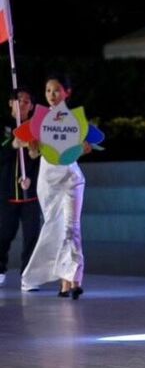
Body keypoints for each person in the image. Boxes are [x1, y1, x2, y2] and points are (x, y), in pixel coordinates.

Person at [20, 75, 88, 299]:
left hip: (71, 178)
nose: (52, 95)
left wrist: (84, 147)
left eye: (57, 90)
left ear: (67, 92)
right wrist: (31, 145)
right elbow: (32, 153)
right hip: (48, 182)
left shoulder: (76, 120)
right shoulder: (40, 121)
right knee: (55, 228)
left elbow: (88, 145)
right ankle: (61, 281)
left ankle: (73, 280)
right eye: (48, 90)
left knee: (71, 228)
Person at [0, 88, 42, 288]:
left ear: (32, 106)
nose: (22, 104)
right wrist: (13, 145)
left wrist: (31, 176)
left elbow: (40, 160)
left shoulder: (37, 128)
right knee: (3, 233)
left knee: (32, 236)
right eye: (19, 100)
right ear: (11, 103)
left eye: (27, 101)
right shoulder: (3, 127)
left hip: (31, 194)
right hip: (6, 193)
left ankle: (28, 276)